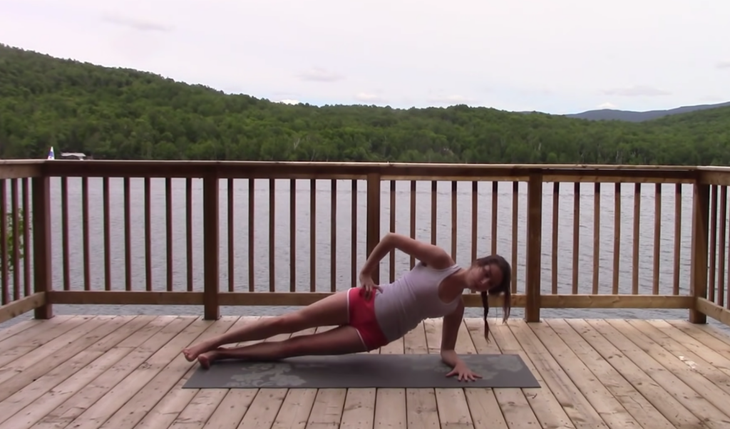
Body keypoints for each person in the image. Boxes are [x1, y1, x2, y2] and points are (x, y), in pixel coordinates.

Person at [182, 232, 512, 381]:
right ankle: (212, 342)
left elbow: (446, 350)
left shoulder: (455, 307)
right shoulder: (441, 260)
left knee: (294, 348)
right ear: (479, 262)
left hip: (371, 334)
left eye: (490, 284)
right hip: (364, 300)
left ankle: (221, 355)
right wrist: (367, 271)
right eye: (486, 273)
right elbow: (392, 239)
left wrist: (460, 364)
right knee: (288, 320)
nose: (484, 282)